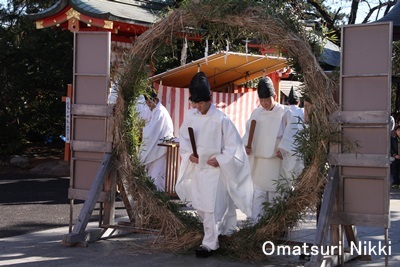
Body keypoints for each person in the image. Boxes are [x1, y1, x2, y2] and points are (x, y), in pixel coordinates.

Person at [175, 72, 253, 258]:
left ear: (210, 99)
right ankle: (223, 231)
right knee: (201, 207)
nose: (199, 107)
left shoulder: (221, 119)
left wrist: (220, 159)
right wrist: (189, 155)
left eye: (201, 103)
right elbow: (183, 139)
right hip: (198, 168)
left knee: (211, 207)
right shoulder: (191, 116)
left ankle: (209, 244)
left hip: (215, 170)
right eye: (196, 103)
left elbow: (234, 147)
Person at [242, 77, 295, 224]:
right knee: (258, 194)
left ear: (275, 97)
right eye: (262, 100)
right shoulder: (256, 113)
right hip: (259, 163)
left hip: (276, 162)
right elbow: (248, 133)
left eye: (267, 100)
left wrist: (284, 148)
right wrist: (247, 145)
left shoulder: (285, 113)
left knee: (275, 196)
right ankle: (256, 227)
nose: (265, 103)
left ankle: (275, 227)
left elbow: (292, 136)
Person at [139, 89, 174, 191]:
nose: (148, 104)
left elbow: (151, 132)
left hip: (160, 148)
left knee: (156, 177)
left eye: (150, 102)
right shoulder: (155, 111)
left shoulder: (160, 112)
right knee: (153, 176)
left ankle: (158, 201)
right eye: (147, 102)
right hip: (157, 147)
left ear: (155, 100)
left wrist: (142, 130)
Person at [390, 124, 400, 189]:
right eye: (398, 130)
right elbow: (391, 149)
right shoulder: (393, 139)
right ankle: (395, 183)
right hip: (396, 157)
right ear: (396, 131)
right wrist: (395, 155)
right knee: (395, 169)